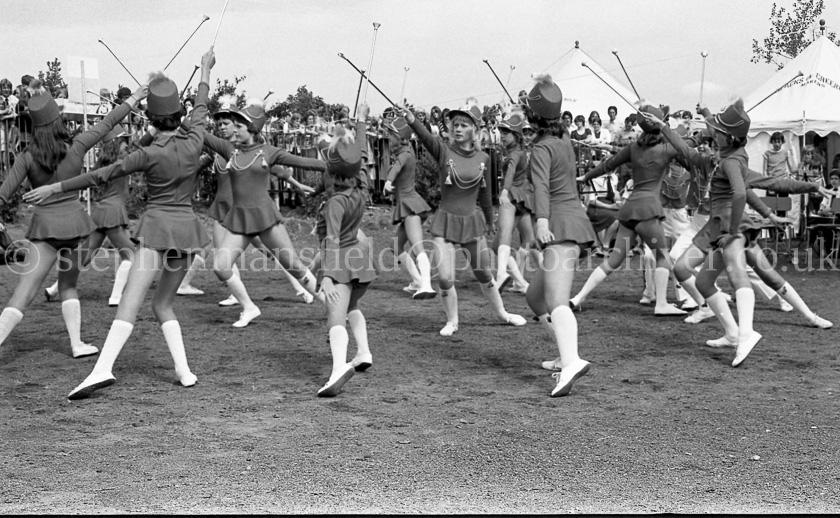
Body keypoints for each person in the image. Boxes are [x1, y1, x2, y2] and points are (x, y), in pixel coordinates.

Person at [25, 48, 216, 399]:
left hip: (157, 229)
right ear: (180, 115)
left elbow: (101, 175)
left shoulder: (147, 153)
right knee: (163, 304)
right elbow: (202, 103)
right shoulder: (195, 139)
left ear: (151, 120)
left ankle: (102, 369)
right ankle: (184, 372)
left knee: (131, 301)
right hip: (188, 230)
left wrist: (56, 187)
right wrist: (205, 68)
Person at [0, 80, 144, 359]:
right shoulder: (77, 146)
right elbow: (107, 123)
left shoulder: (27, 157)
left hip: (45, 231)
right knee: (68, 285)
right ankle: (76, 344)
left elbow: (3, 194)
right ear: (58, 119)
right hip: (76, 229)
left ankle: (76, 344)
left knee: (23, 294)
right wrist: (135, 98)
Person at [200, 94, 328, 328]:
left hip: (266, 219)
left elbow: (304, 162)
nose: (233, 130)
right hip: (240, 220)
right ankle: (249, 307)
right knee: (220, 266)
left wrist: (341, 168)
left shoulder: (268, 152)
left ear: (251, 129)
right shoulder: (229, 149)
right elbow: (199, 132)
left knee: (295, 266)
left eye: (238, 126)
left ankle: (331, 306)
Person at [402, 101, 527, 336]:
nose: (457, 129)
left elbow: (485, 193)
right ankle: (452, 321)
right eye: (455, 125)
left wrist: (489, 221)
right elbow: (426, 137)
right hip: (445, 223)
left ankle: (503, 313)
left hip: (472, 223)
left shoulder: (484, 158)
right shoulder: (444, 152)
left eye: (464, 125)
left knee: (485, 275)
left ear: (475, 130)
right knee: (445, 278)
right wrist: (411, 119)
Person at [571, 105, 689, 316]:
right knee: (662, 256)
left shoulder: (634, 148)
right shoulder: (667, 149)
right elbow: (686, 146)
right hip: (648, 211)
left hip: (629, 210)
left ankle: (578, 296)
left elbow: (608, 164)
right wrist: (683, 126)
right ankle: (661, 304)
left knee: (614, 260)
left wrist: (586, 177)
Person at [521, 74, 595, 396]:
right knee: (535, 298)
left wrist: (541, 222)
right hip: (574, 221)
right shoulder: (563, 137)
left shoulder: (541, 148)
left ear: (532, 116)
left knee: (556, 301)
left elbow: (541, 187)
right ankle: (564, 354)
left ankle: (572, 362)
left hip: (559, 225)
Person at [43, 124, 135, 306]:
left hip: (100, 212)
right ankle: (116, 297)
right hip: (113, 213)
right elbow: (143, 150)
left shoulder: (103, 163)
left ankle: (54, 289)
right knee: (131, 255)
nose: (127, 145)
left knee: (85, 256)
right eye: (124, 142)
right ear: (116, 145)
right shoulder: (122, 162)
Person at [316, 124, 377, 397]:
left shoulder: (335, 203)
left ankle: (338, 368)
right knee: (352, 306)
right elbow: (360, 154)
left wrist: (328, 276)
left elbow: (332, 240)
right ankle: (363, 351)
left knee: (335, 320)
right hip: (360, 261)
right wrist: (360, 123)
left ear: (331, 171)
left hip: (341, 265)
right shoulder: (361, 189)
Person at [382, 116, 435, 299]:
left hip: (410, 207)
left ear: (400, 137)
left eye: (391, 134)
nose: (388, 138)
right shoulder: (406, 151)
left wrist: (388, 181)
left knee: (418, 247)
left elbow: (396, 168)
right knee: (395, 246)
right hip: (409, 205)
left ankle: (426, 285)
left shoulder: (404, 155)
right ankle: (417, 281)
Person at [494, 111, 533, 293]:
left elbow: (509, 172)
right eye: (501, 132)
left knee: (504, 237)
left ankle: (501, 274)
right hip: (523, 199)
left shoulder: (514, 155)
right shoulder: (519, 152)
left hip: (511, 197)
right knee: (529, 241)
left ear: (516, 135)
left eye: (506, 132)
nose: (502, 136)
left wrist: (504, 191)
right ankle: (521, 283)